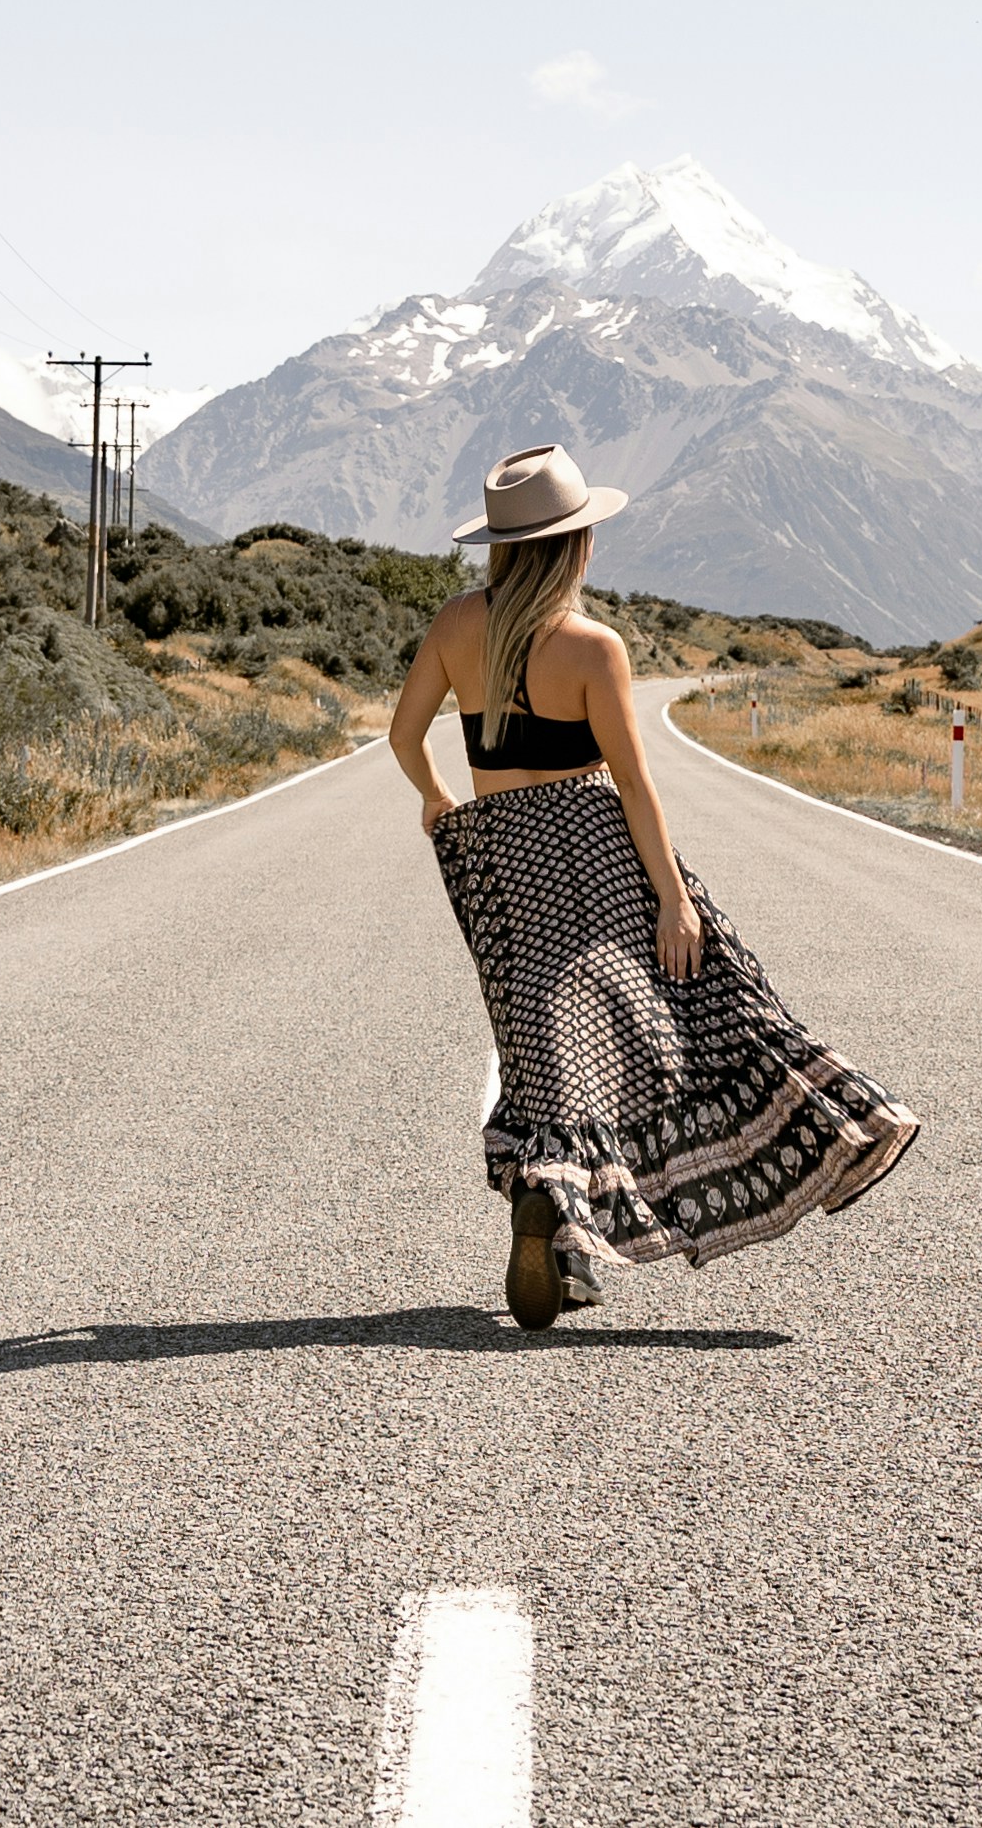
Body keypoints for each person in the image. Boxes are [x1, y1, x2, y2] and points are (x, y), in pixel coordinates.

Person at [389, 441, 921, 1329]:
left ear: (499, 545)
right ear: (573, 546)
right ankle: (589, 1211)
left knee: (539, 1041)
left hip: (502, 862)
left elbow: (403, 736)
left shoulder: (454, 623)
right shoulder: (594, 645)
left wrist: (443, 804)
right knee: (699, 1014)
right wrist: (674, 898)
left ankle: (555, 1212)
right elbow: (635, 784)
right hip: (597, 854)